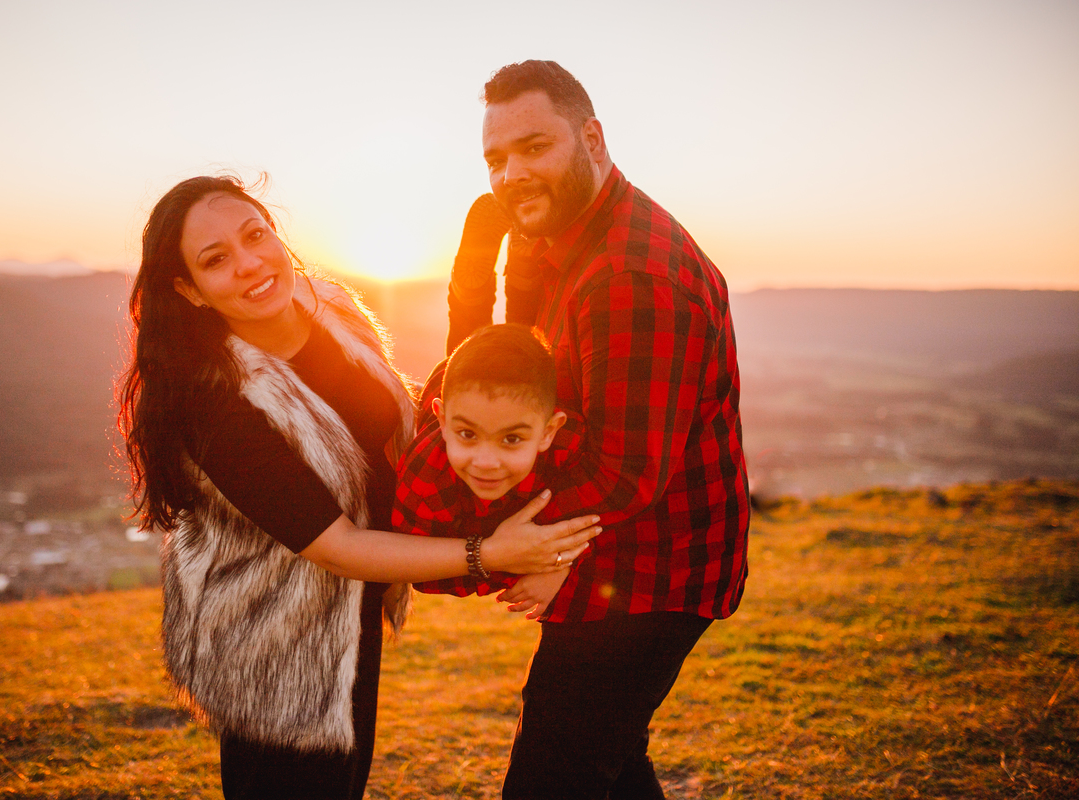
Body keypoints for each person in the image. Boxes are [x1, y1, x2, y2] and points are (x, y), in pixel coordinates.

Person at [117, 174, 601, 800]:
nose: (249, 263)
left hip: (353, 611)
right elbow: (338, 546)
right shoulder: (216, 404)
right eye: (216, 260)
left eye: (254, 235)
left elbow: (424, 418)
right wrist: (493, 554)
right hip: (274, 645)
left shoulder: (329, 308)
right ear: (189, 290)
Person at [449, 61, 751, 799]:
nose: (511, 174)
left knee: (555, 774)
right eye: (496, 160)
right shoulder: (570, 238)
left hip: (650, 570)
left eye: (534, 148)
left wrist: (535, 548)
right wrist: (480, 266)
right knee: (607, 765)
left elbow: (623, 473)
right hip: (621, 550)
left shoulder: (629, 277)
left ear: (592, 138)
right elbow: (511, 382)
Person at [393, 323, 584, 620]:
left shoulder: (572, 448)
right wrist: (504, 559)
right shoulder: (426, 473)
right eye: (468, 434)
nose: (486, 462)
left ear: (548, 432)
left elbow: (599, 523)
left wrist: (560, 565)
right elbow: (419, 573)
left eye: (511, 439)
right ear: (443, 422)